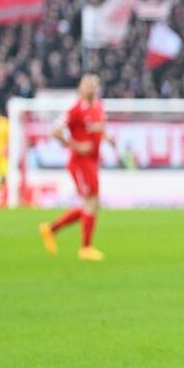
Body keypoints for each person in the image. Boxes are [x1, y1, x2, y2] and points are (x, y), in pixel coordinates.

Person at [39, 73, 116, 261]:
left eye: (94, 85)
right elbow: (55, 130)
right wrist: (75, 145)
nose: (91, 88)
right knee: (90, 203)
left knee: (92, 204)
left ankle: (51, 229)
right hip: (80, 162)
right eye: (87, 85)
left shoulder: (98, 106)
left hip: (92, 161)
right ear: (80, 88)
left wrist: (108, 139)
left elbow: (99, 128)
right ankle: (86, 248)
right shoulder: (74, 110)